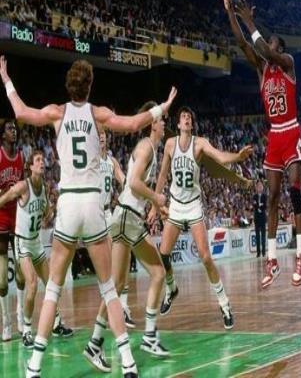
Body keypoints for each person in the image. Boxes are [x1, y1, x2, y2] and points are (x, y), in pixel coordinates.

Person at [0, 56, 177, 378]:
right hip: (94, 205)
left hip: (68, 203)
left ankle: (34, 366)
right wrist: (161, 108)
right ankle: (128, 362)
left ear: (69, 86)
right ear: (90, 86)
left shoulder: (57, 112)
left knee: (53, 289)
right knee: (109, 288)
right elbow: (133, 124)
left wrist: (6, 80)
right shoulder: (99, 114)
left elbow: (21, 112)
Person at [220, 0, 301, 288]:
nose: (266, 47)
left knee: (294, 190)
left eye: (271, 44)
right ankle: (271, 261)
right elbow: (244, 43)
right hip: (274, 136)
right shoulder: (262, 70)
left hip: (291, 130)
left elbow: (264, 48)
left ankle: (300, 254)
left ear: (279, 49)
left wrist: (250, 21)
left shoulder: (288, 64)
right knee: (271, 197)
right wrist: (231, 12)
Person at [84, 101, 172, 371]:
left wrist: (155, 204)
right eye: (161, 119)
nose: (164, 123)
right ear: (152, 124)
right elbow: (133, 183)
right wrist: (156, 198)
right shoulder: (146, 147)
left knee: (116, 285)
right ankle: (149, 336)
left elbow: (131, 184)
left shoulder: (149, 147)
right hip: (127, 218)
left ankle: (94, 343)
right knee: (158, 272)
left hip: (124, 216)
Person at [150, 107, 252, 327]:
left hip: (194, 205)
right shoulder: (170, 145)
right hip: (176, 205)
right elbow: (162, 175)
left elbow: (220, 157)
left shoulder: (200, 144)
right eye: (183, 117)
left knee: (205, 257)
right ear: (178, 124)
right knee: (164, 255)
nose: (186, 119)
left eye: (189, 117)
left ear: (192, 124)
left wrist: (237, 157)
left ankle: (224, 304)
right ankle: (171, 288)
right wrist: (155, 205)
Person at [0, 150, 73, 348]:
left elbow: (47, 213)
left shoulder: (46, 187)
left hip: (36, 242)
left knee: (51, 284)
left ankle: (56, 324)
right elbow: (4, 199)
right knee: (31, 284)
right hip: (22, 242)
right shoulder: (23, 186)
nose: (42, 162)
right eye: (38, 160)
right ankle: (26, 330)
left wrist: (53, 209)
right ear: (31, 166)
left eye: (43, 160)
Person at [97, 130, 135, 328]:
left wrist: (134, 187)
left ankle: (123, 307)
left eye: (103, 133)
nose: (101, 136)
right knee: (106, 264)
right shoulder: (90, 159)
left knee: (121, 256)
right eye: (98, 134)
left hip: (107, 213)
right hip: (92, 214)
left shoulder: (111, 162)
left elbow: (124, 180)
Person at [0, 119, 25, 341]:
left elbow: (24, 187)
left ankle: (21, 320)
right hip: (1, 216)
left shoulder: (21, 157)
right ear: (3, 135)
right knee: (1, 281)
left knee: (21, 275)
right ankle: (6, 324)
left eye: (15, 128)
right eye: (10, 129)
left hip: (17, 217)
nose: (14, 131)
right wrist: (6, 195)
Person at [253, 180, 267, 257]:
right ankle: (258, 252)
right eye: (258, 186)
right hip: (257, 218)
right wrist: (259, 205)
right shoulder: (254, 196)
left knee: (263, 235)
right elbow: (254, 205)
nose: (259, 187)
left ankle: (264, 252)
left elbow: (265, 205)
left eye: (261, 186)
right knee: (257, 236)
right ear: (256, 187)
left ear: (262, 187)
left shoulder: (264, 196)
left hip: (262, 217)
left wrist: (260, 207)